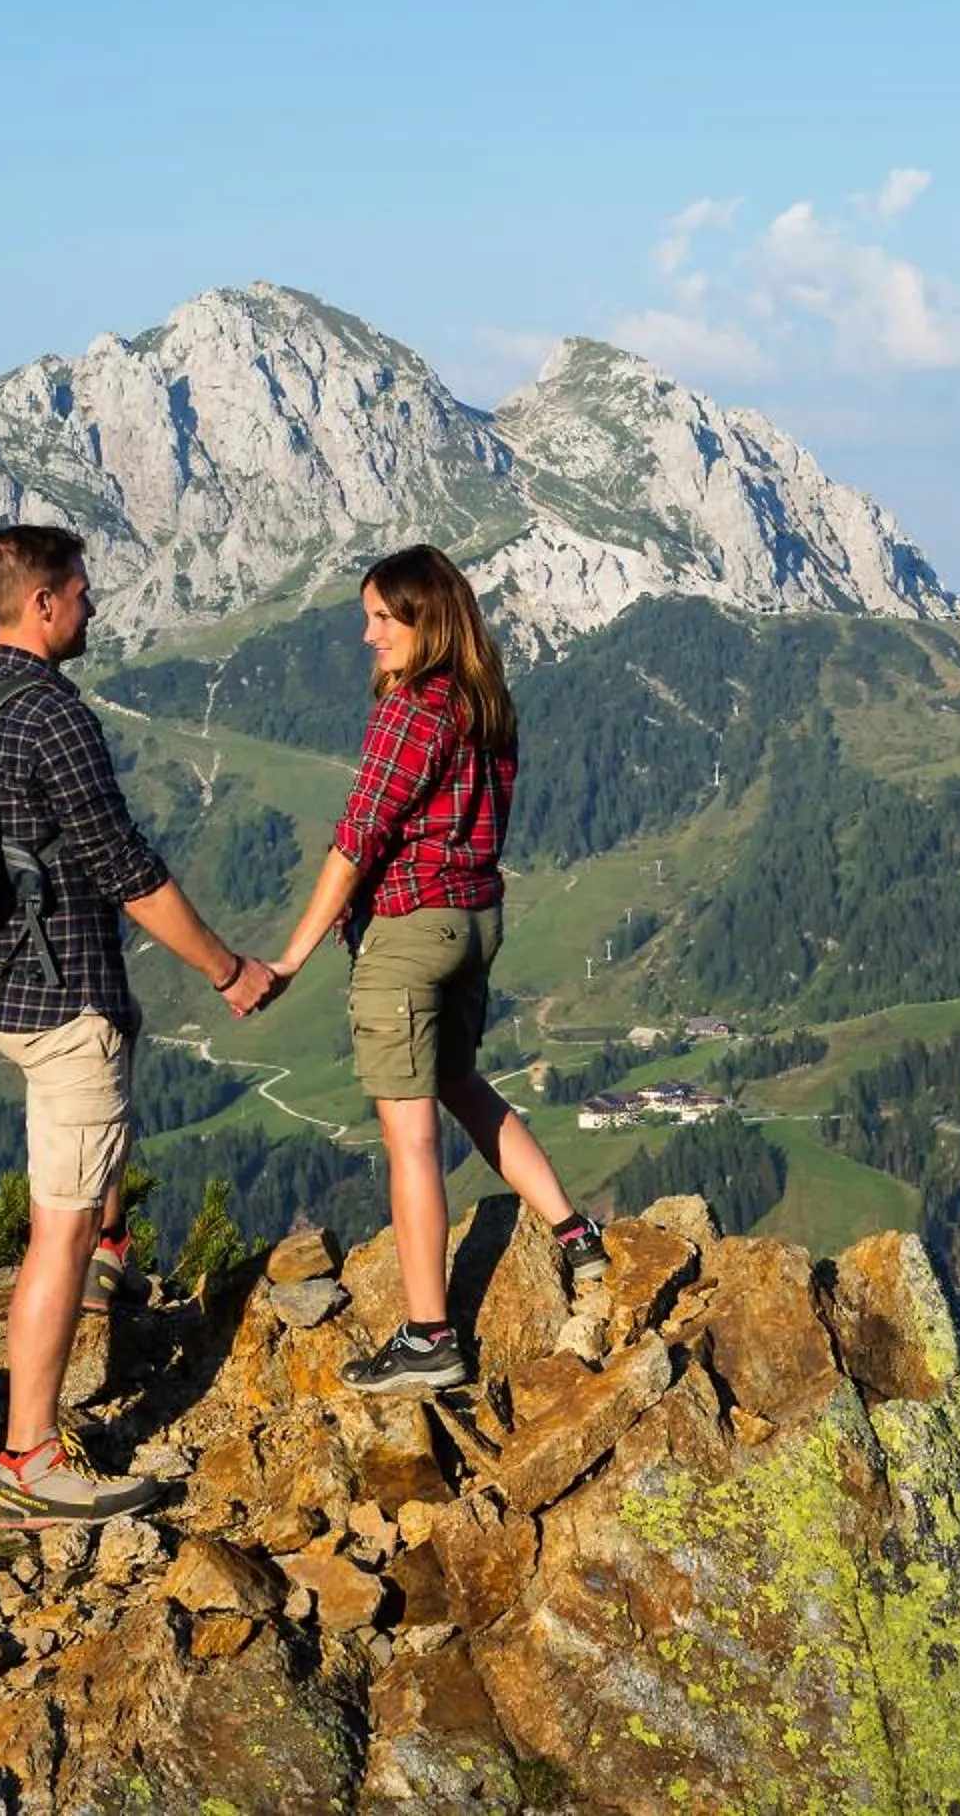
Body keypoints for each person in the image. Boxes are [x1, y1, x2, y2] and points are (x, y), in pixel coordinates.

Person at [0, 525, 280, 1524]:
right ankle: (31, 1458)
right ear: (42, 603)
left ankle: (100, 1288)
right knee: (61, 1228)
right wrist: (226, 966)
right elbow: (124, 866)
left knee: (81, 1209)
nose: (93, 608)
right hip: (61, 1001)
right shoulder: (51, 715)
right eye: (82, 594)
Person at [267, 544, 605, 1395]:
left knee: (409, 1137)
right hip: (475, 921)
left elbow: (358, 835)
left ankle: (429, 1338)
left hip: (411, 929)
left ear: (427, 620)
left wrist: (294, 953)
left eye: (384, 617)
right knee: (461, 1082)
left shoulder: (415, 710)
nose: (367, 634)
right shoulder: (485, 702)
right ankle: (573, 1232)